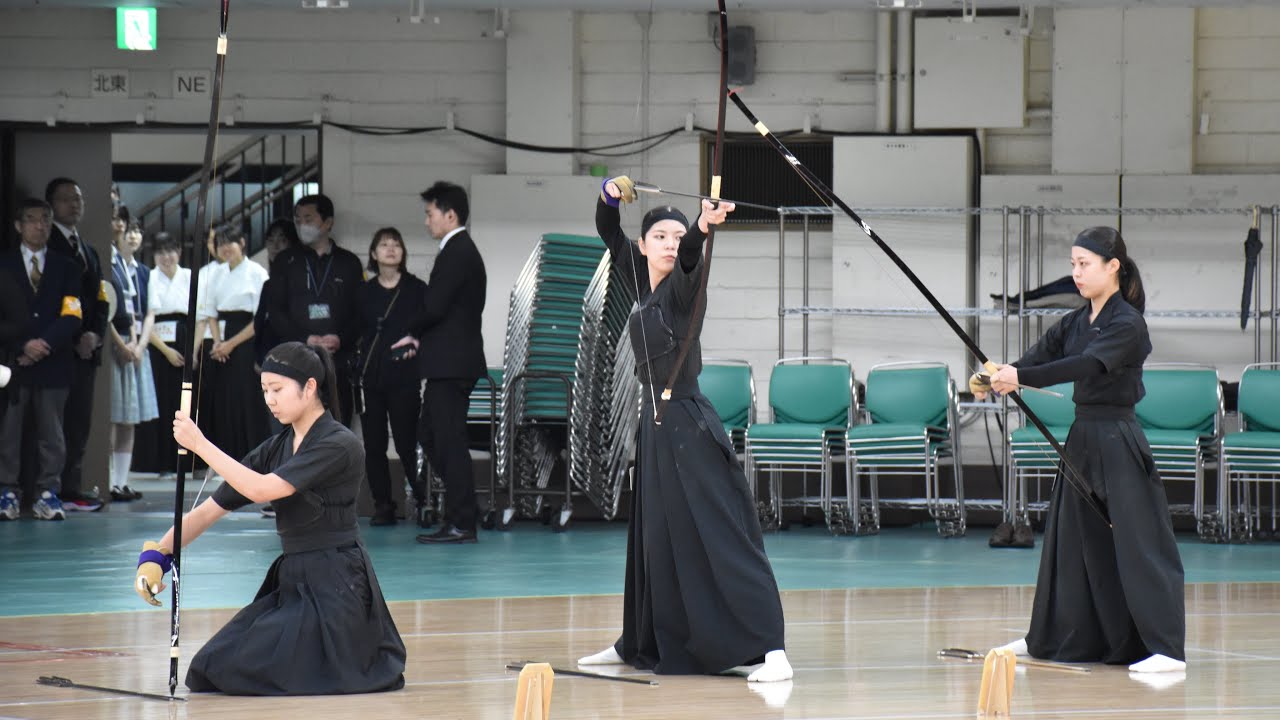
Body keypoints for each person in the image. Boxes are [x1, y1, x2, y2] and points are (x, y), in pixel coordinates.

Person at [575, 176, 792, 683]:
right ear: (644, 245)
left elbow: (693, 254)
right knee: (653, 540)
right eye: (661, 237)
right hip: (653, 429)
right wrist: (610, 192)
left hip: (689, 423)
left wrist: (701, 226)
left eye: (676, 236)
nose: (671, 244)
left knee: (723, 535)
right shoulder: (637, 274)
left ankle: (770, 649)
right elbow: (608, 226)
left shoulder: (682, 286)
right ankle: (638, 641)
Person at [133, 341, 406, 695]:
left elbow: (262, 490)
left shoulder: (339, 444)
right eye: (264, 390)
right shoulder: (276, 447)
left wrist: (200, 445)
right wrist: (157, 554)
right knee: (210, 668)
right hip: (294, 581)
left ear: (309, 388)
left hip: (337, 584)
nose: (269, 400)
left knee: (273, 671)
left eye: (277, 390)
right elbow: (210, 510)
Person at [976, 227, 1186, 674]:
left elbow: (1084, 365)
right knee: (1069, 543)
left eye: (1084, 264)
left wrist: (1022, 378)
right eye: (1072, 264)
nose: (1076, 272)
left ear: (1113, 267)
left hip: (1118, 438)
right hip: (1083, 438)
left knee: (1139, 542)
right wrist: (995, 375)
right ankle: (1050, 639)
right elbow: (1038, 356)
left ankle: (1165, 649)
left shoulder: (1127, 323)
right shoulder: (1075, 321)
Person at [399, 181, 487, 545]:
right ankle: (463, 509)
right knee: (432, 436)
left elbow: (435, 305)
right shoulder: (457, 250)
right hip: (447, 363)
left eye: (429, 213)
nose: (426, 221)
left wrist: (411, 331)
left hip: (452, 365)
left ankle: (462, 521)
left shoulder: (458, 251)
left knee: (447, 441)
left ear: (450, 215)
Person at [0, 198, 83, 521]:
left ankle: (48, 492)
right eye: (32, 219)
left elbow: (73, 314)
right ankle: (7, 491)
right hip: (13, 362)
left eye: (46, 220)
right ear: (19, 226)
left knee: (53, 432)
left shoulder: (67, 267)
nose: (40, 226)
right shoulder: (4, 265)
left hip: (54, 362)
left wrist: (45, 343)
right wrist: (24, 344)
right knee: (9, 431)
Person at [263, 195, 363, 426]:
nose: (301, 225)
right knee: (298, 426)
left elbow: (360, 313)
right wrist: (304, 339)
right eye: (297, 219)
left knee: (338, 422)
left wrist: (341, 338)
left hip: (338, 361)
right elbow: (276, 312)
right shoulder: (285, 261)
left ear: (328, 222)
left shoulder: (349, 263)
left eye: (308, 218)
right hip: (296, 359)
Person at [356, 228, 426, 527]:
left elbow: (427, 328)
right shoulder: (365, 293)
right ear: (374, 253)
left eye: (396, 244)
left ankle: (424, 499)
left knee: (408, 442)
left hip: (405, 378)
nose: (391, 249)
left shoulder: (417, 289)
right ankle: (382, 504)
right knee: (373, 445)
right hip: (371, 379)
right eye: (384, 244)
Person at [46, 177, 108, 512]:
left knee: (79, 422)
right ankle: (50, 489)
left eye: (78, 198)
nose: (75, 204)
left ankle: (72, 487)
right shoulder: (49, 246)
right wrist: (71, 337)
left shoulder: (90, 250)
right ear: (52, 205)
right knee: (54, 425)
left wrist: (94, 334)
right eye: (67, 199)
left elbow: (101, 299)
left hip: (87, 351)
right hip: (57, 351)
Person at [202, 225, 271, 466]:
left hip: (246, 342)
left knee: (247, 401)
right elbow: (210, 312)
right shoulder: (217, 273)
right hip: (220, 343)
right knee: (224, 402)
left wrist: (230, 344)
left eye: (229, 242)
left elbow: (259, 319)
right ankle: (227, 461)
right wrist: (218, 342)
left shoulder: (256, 272)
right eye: (220, 244)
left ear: (242, 243)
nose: (224, 248)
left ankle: (254, 459)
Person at [106, 210, 158, 502]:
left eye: (137, 230)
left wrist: (139, 346)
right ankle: (108, 480)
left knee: (130, 418)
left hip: (137, 346)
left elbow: (149, 312)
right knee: (112, 416)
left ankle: (122, 481)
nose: (133, 235)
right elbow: (107, 311)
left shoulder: (143, 271)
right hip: (117, 344)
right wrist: (122, 344)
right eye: (129, 230)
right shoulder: (109, 264)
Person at [134, 231, 191, 476]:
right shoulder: (149, 277)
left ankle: (188, 462)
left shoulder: (190, 276)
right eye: (160, 252)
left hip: (185, 341)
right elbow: (148, 318)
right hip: (157, 347)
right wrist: (166, 351)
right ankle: (157, 462)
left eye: (170, 251)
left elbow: (201, 315)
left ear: (179, 251)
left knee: (184, 402)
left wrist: (193, 349)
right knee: (160, 402)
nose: (166, 257)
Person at [254, 218, 301, 369]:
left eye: (282, 239)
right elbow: (260, 324)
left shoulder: (300, 282)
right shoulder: (268, 284)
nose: (275, 246)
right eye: (270, 240)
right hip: (269, 356)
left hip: (294, 356)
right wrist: (258, 357)